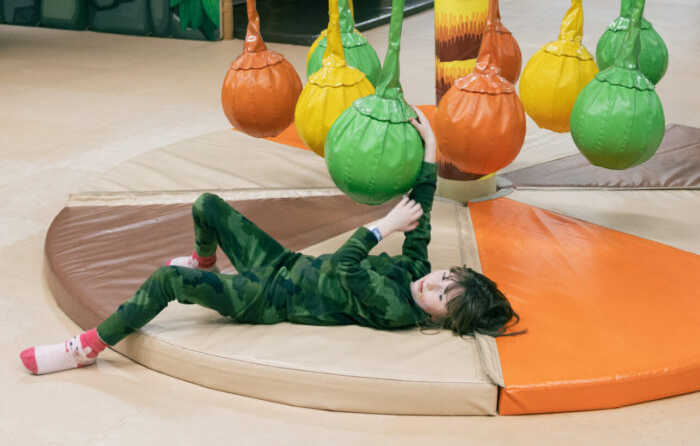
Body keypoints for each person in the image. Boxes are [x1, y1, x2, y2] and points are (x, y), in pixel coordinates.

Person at [20, 110, 519, 375]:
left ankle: (88, 347)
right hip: (284, 264)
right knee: (208, 203)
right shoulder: (415, 276)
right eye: (445, 276)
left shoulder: (394, 307)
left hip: (267, 297)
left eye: (438, 294)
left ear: (439, 319)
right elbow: (424, 217)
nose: (432, 279)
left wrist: (382, 226)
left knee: (168, 280)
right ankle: (205, 258)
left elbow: (347, 266)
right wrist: (431, 152)